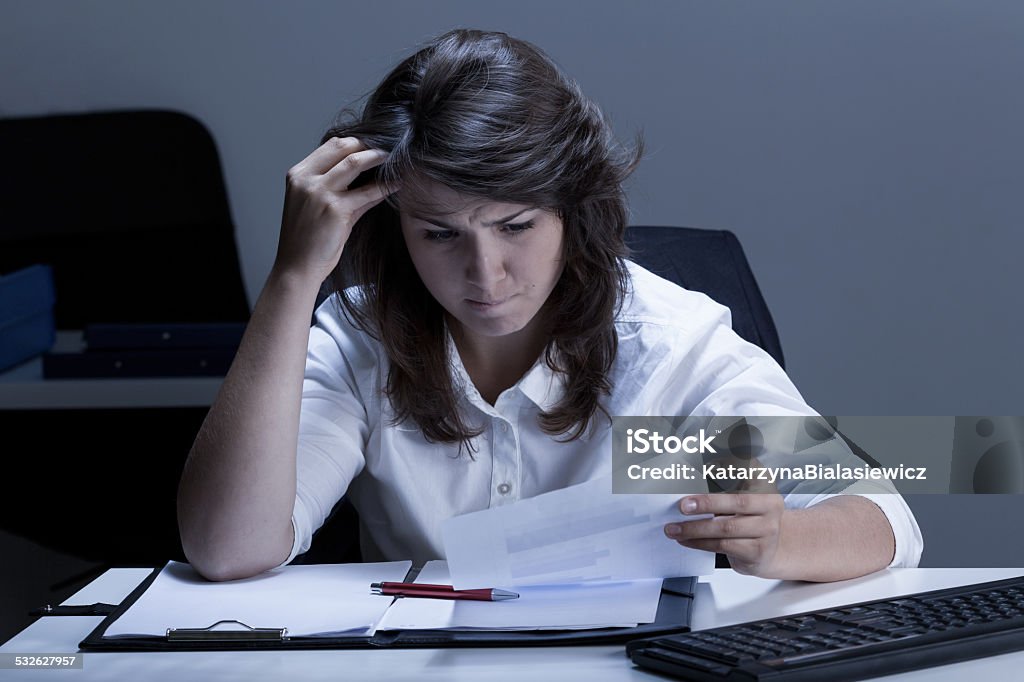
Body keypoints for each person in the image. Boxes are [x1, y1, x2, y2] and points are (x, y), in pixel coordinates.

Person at [177, 28, 922, 583]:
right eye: (440, 233)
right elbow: (228, 549)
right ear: (391, 223)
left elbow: (888, 518)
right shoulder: (359, 337)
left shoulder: (669, 344)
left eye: (516, 226)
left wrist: (779, 541)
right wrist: (292, 279)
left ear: (572, 210)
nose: (485, 273)